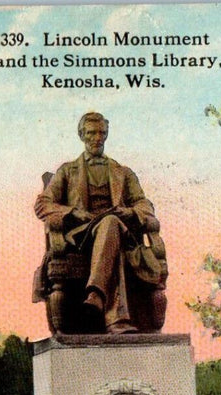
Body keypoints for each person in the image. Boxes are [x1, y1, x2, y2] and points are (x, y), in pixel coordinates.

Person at [35, 112, 160, 334]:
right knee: (110, 225)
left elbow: (145, 204)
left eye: (102, 133)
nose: (97, 138)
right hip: (82, 236)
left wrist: (129, 211)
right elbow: (43, 204)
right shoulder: (67, 170)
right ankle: (114, 316)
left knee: (111, 222)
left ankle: (97, 295)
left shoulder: (122, 172)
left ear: (107, 135)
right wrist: (73, 212)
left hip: (117, 230)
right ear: (82, 135)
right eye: (91, 133)